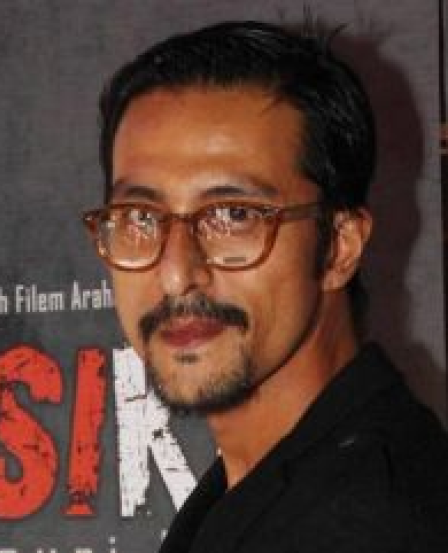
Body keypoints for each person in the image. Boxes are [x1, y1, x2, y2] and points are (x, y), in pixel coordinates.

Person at [83, 20, 448, 552]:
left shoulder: (370, 523)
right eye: (140, 217)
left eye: (234, 215)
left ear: (338, 246)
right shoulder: (262, 488)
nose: (176, 273)